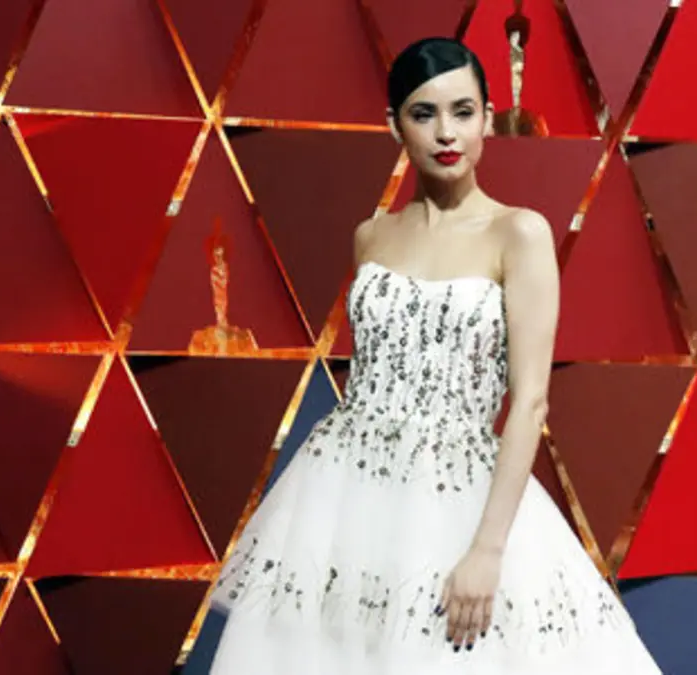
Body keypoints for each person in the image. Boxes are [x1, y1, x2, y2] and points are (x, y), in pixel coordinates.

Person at [206, 37, 663, 674]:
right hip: (343, 498)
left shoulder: (518, 233)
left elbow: (530, 402)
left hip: (458, 501)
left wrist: (488, 550)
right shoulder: (372, 235)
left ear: (487, 118)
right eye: (424, 114)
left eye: (463, 111)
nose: (446, 132)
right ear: (395, 125)